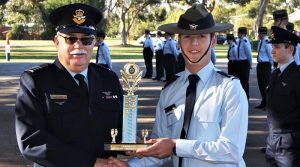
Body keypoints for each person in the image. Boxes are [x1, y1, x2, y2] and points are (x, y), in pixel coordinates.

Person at [109, 4, 248, 167]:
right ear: (179, 41)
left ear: (214, 40)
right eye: (187, 36)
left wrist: (176, 146)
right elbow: (160, 147)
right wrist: (131, 165)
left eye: (202, 36)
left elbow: (232, 150)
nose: (194, 43)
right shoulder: (170, 90)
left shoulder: (230, 88)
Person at [14, 3, 123, 167]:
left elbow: (118, 130)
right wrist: (91, 163)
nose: (79, 46)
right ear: (57, 41)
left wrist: (130, 143)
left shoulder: (108, 78)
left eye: (86, 40)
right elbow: (31, 141)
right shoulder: (37, 81)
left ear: (94, 43)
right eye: (71, 39)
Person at [265, 26, 300, 166]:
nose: (272, 50)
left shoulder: (297, 76)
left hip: (291, 145)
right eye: (273, 46)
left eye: (277, 47)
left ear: (290, 49)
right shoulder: (275, 74)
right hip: (272, 141)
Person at [255, 27, 273, 109]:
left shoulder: (267, 42)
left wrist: (271, 67)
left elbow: (271, 56)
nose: (258, 35)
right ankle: (264, 101)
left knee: (266, 85)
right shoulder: (260, 42)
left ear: (263, 34)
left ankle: (269, 104)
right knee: (261, 84)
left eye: (259, 33)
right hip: (260, 65)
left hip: (266, 65)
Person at [236, 27, 252, 99]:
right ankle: (241, 97)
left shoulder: (245, 41)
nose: (237, 34)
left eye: (238, 33)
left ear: (241, 33)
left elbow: (249, 54)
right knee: (240, 81)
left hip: (244, 63)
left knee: (245, 82)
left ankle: (246, 98)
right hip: (239, 63)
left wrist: (250, 64)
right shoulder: (239, 41)